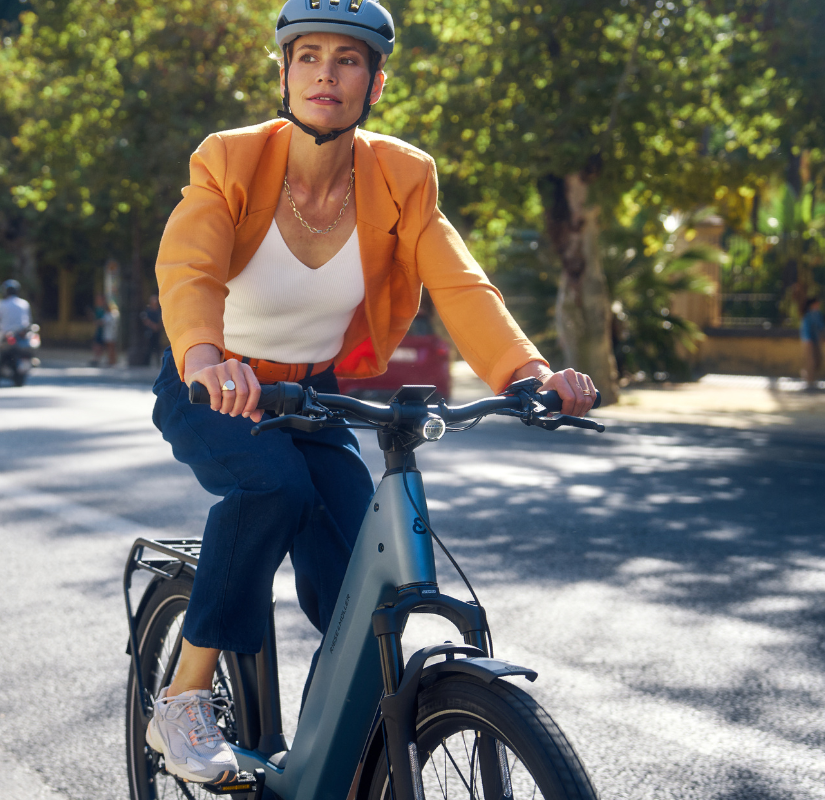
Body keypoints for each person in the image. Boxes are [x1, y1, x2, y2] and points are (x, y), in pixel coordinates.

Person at [145, 0, 597, 785]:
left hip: (312, 397)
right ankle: (183, 702)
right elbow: (190, 268)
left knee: (363, 586)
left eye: (347, 59)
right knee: (272, 488)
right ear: (284, 74)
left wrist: (529, 376)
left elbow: (460, 282)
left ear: (375, 82)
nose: (327, 73)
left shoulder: (401, 175)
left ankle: (327, 756)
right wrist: (208, 356)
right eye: (309, 56)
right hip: (213, 386)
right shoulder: (230, 159)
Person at [800, 297, 825, 388]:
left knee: (819, 359)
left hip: (816, 340)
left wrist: (822, 336)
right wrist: (808, 339)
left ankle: (809, 376)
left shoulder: (818, 314)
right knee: (810, 361)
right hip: (808, 341)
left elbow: (821, 326)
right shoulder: (807, 315)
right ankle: (809, 380)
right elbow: (805, 328)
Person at [140, 293, 164, 364]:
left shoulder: (159, 311)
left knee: (157, 347)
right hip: (149, 332)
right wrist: (153, 326)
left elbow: (161, 320)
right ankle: (146, 362)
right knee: (148, 347)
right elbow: (145, 320)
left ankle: (157, 362)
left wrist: (158, 326)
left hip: (157, 332)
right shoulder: (147, 311)